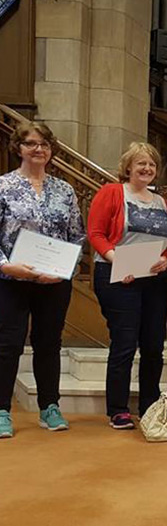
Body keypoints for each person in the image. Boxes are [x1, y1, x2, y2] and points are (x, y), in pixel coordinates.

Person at [0, 121, 85, 438]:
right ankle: (2, 410)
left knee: (49, 344)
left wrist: (64, 270)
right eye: (31, 144)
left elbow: (77, 236)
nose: (39, 149)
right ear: (18, 148)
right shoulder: (3, 187)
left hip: (53, 281)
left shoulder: (65, 190)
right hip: (12, 279)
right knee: (8, 345)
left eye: (45, 145)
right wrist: (7, 267)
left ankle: (50, 406)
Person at [88, 142, 167, 429]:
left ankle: (150, 404)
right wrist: (119, 262)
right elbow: (96, 233)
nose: (147, 168)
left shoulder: (161, 200)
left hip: (154, 279)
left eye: (151, 164)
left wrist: (166, 259)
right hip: (118, 276)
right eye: (141, 163)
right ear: (128, 167)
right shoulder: (111, 193)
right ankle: (118, 408)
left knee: (153, 346)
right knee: (125, 344)